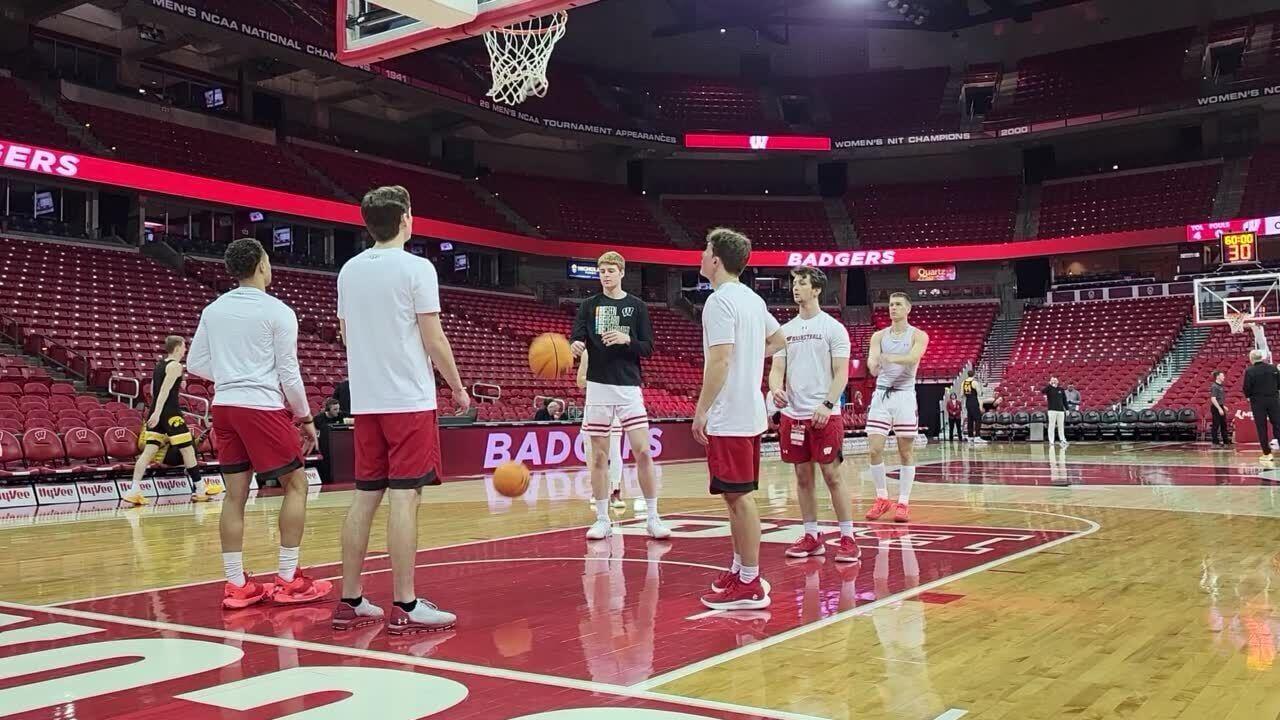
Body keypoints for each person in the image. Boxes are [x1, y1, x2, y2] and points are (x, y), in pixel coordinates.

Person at [331, 185, 470, 634]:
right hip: (407, 399)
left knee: (364, 497)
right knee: (406, 497)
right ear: (407, 219)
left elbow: (347, 335)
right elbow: (433, 337)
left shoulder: (349, 271)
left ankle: (350, 600)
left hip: (367, 401)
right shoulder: (417, 268)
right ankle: (405, 605)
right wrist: (458, 387)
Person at [186, 237, 329, 610]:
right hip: (261, 407)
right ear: (262, 265)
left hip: (225, 407)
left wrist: (232, 376)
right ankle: (287, 579)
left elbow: (195, 364)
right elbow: (289, 373)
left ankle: (236, 586)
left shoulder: (213, 309)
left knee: (235, 496)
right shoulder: (278, 311)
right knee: (295, 486)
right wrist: (305, 416)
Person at [693, 227, 785, 611]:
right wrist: (752, 357)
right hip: (750, 410)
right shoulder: (750, 298)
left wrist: (700, 411)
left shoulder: (719, 302)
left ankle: (750, 582)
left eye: (704, 249)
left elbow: (720, 360)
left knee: (740, 498)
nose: (700, 255)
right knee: (735, 497)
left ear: (716, 259)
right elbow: (779, 340)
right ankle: (739, 569)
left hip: (731, 413)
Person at [569, 251, 667, 541]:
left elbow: (647, 347)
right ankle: (602, 518)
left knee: (643, 452)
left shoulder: (636, 307)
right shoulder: (588, 306)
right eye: (602, 271)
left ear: (622, 272)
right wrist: (574, 346)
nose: (606, 275)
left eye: (611, 270)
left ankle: (652, 517)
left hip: (628, 387)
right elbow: (576, 337)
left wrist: (628, 340)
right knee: (598, 458)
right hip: (598, 387)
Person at [767, 266, 858, 563]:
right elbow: (776, 369)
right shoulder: (786, 331)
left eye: (802, 283)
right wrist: (775, 389)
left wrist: (828, 404)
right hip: (793, 416)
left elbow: (841, 372)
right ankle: (812, 535)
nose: (795, 288)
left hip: (824, 414)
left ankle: (848, 537)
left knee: (832, 475)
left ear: (816, 289)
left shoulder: (833, 328)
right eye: (794, 282)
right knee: (802, 477)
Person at [122, 335, 223, 506]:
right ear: (177, 348)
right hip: (170, 413)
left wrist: (155, 412)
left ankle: (134, 490)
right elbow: (164, 391)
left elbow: (155, 390)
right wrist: (161, 412)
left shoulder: (160, 365)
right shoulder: (176, 366)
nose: (185, 350)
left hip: (156, 411)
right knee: (188, 450)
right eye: (184, 347)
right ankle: (199, 489)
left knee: (149, 451)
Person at [865, 292, 929, 523]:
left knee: (905, 451)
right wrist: (873, 365)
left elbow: (913, 358)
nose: (893, 308)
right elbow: (872, 363)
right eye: (891, 304)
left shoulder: (918, 335)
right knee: (874, 449)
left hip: (904, 396)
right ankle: (882, 498)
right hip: (881, 394)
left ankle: (903, 502)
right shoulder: (878, 336)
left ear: (908, 309)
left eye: (898, 304)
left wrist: (888, 358)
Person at [577, 350, 626, 510]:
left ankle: (615, 491)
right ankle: (596, 489)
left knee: (614, 452)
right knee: (592, 453)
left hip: (613, 407)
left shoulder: (619, 351)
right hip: (593, 407)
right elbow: (580, 381)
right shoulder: (588, 352)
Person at [1242, 348, 1280, 468]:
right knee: (1278, 424)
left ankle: (1267, 454)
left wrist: (1248, 396)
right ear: (1262, 358)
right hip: (1274, 399)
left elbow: (1246, 387)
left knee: (1261, 427)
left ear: (1252, 359)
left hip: (1258, 401)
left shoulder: (1250, 371)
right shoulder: (1273, 368)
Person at [314, 398, 344, 483]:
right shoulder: (318, 418)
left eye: (338, 409)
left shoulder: (341, 415)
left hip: (338, 445)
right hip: (324, 445)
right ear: (328, 409)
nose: (337, 411)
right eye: (335, 409)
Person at [1042, 376, 1069, 446]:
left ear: (1058, 381)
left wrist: (1067, 409)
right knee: (1051, 426)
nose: (1054, 381)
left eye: (1055, 380)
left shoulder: (1061, 389)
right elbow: (1043, 391)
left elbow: (1064, 400)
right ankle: (1051, 441)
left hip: (1061, 411)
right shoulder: (1049, 388)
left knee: (1061, 426)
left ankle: (1062, 440)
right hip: (1052, 410)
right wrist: (1049, 384)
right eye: (1053, 380)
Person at [961, 370, 985, 443]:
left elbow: (961, 394)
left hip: (968, 402)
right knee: (978, 419)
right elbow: (979, 393)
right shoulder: (974, 382)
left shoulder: (963, 383)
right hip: (974, 401)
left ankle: (970, 436)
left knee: (970, 419)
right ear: (973, 374)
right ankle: (977, 436)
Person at [1210, 371, 1231, 446]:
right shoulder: (1214, 386)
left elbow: (1219, 399)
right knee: (1216, 425)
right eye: (1222, 376)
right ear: (1218, 377)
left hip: (1220, 406)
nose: (1224, 377)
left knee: (1223, 424)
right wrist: (1219, 408)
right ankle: (1215, 441)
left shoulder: (1221, 386)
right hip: (1216, 408)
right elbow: (1213, 399)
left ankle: (1226, 441)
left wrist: (1223, 406)